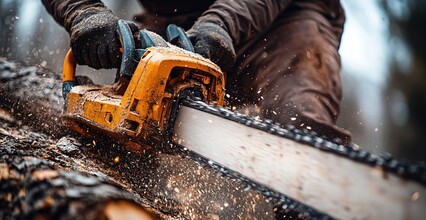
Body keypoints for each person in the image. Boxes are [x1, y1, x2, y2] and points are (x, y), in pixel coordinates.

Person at [42, 0, 351, 143]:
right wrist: (83, 12)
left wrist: (219, 24)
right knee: (132, 130)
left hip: (282, 20)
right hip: (175, 22)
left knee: (299, 122)